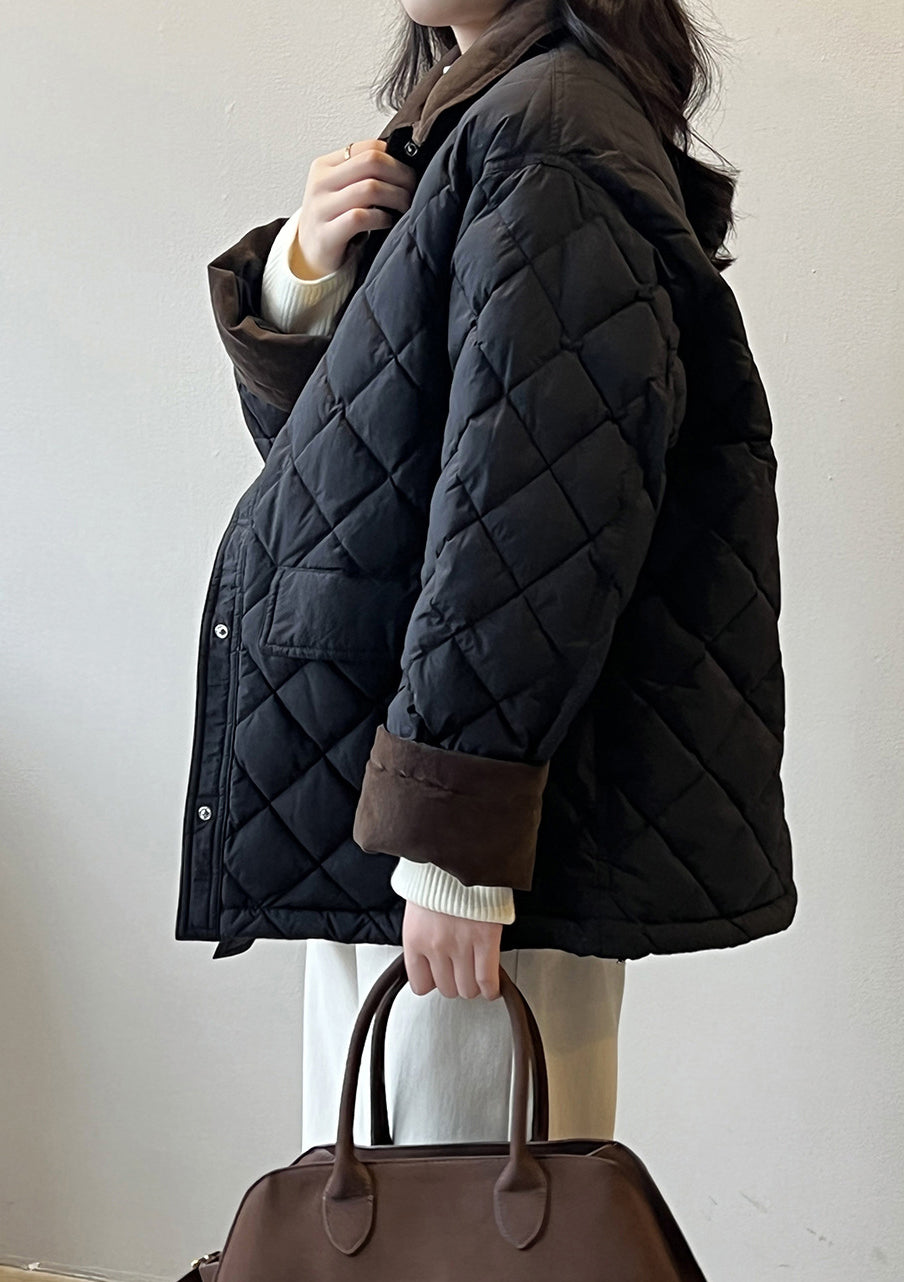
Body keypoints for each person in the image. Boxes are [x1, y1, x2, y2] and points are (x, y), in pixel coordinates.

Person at [177, 0, 797, 1154]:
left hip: (469, 838)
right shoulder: (480, 123)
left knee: (454, 1206)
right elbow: (356, 476)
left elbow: (535, 511)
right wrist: (303, 281)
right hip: (408, 795)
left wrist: (455, 848)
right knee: (407, 1202)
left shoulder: (546, 136)